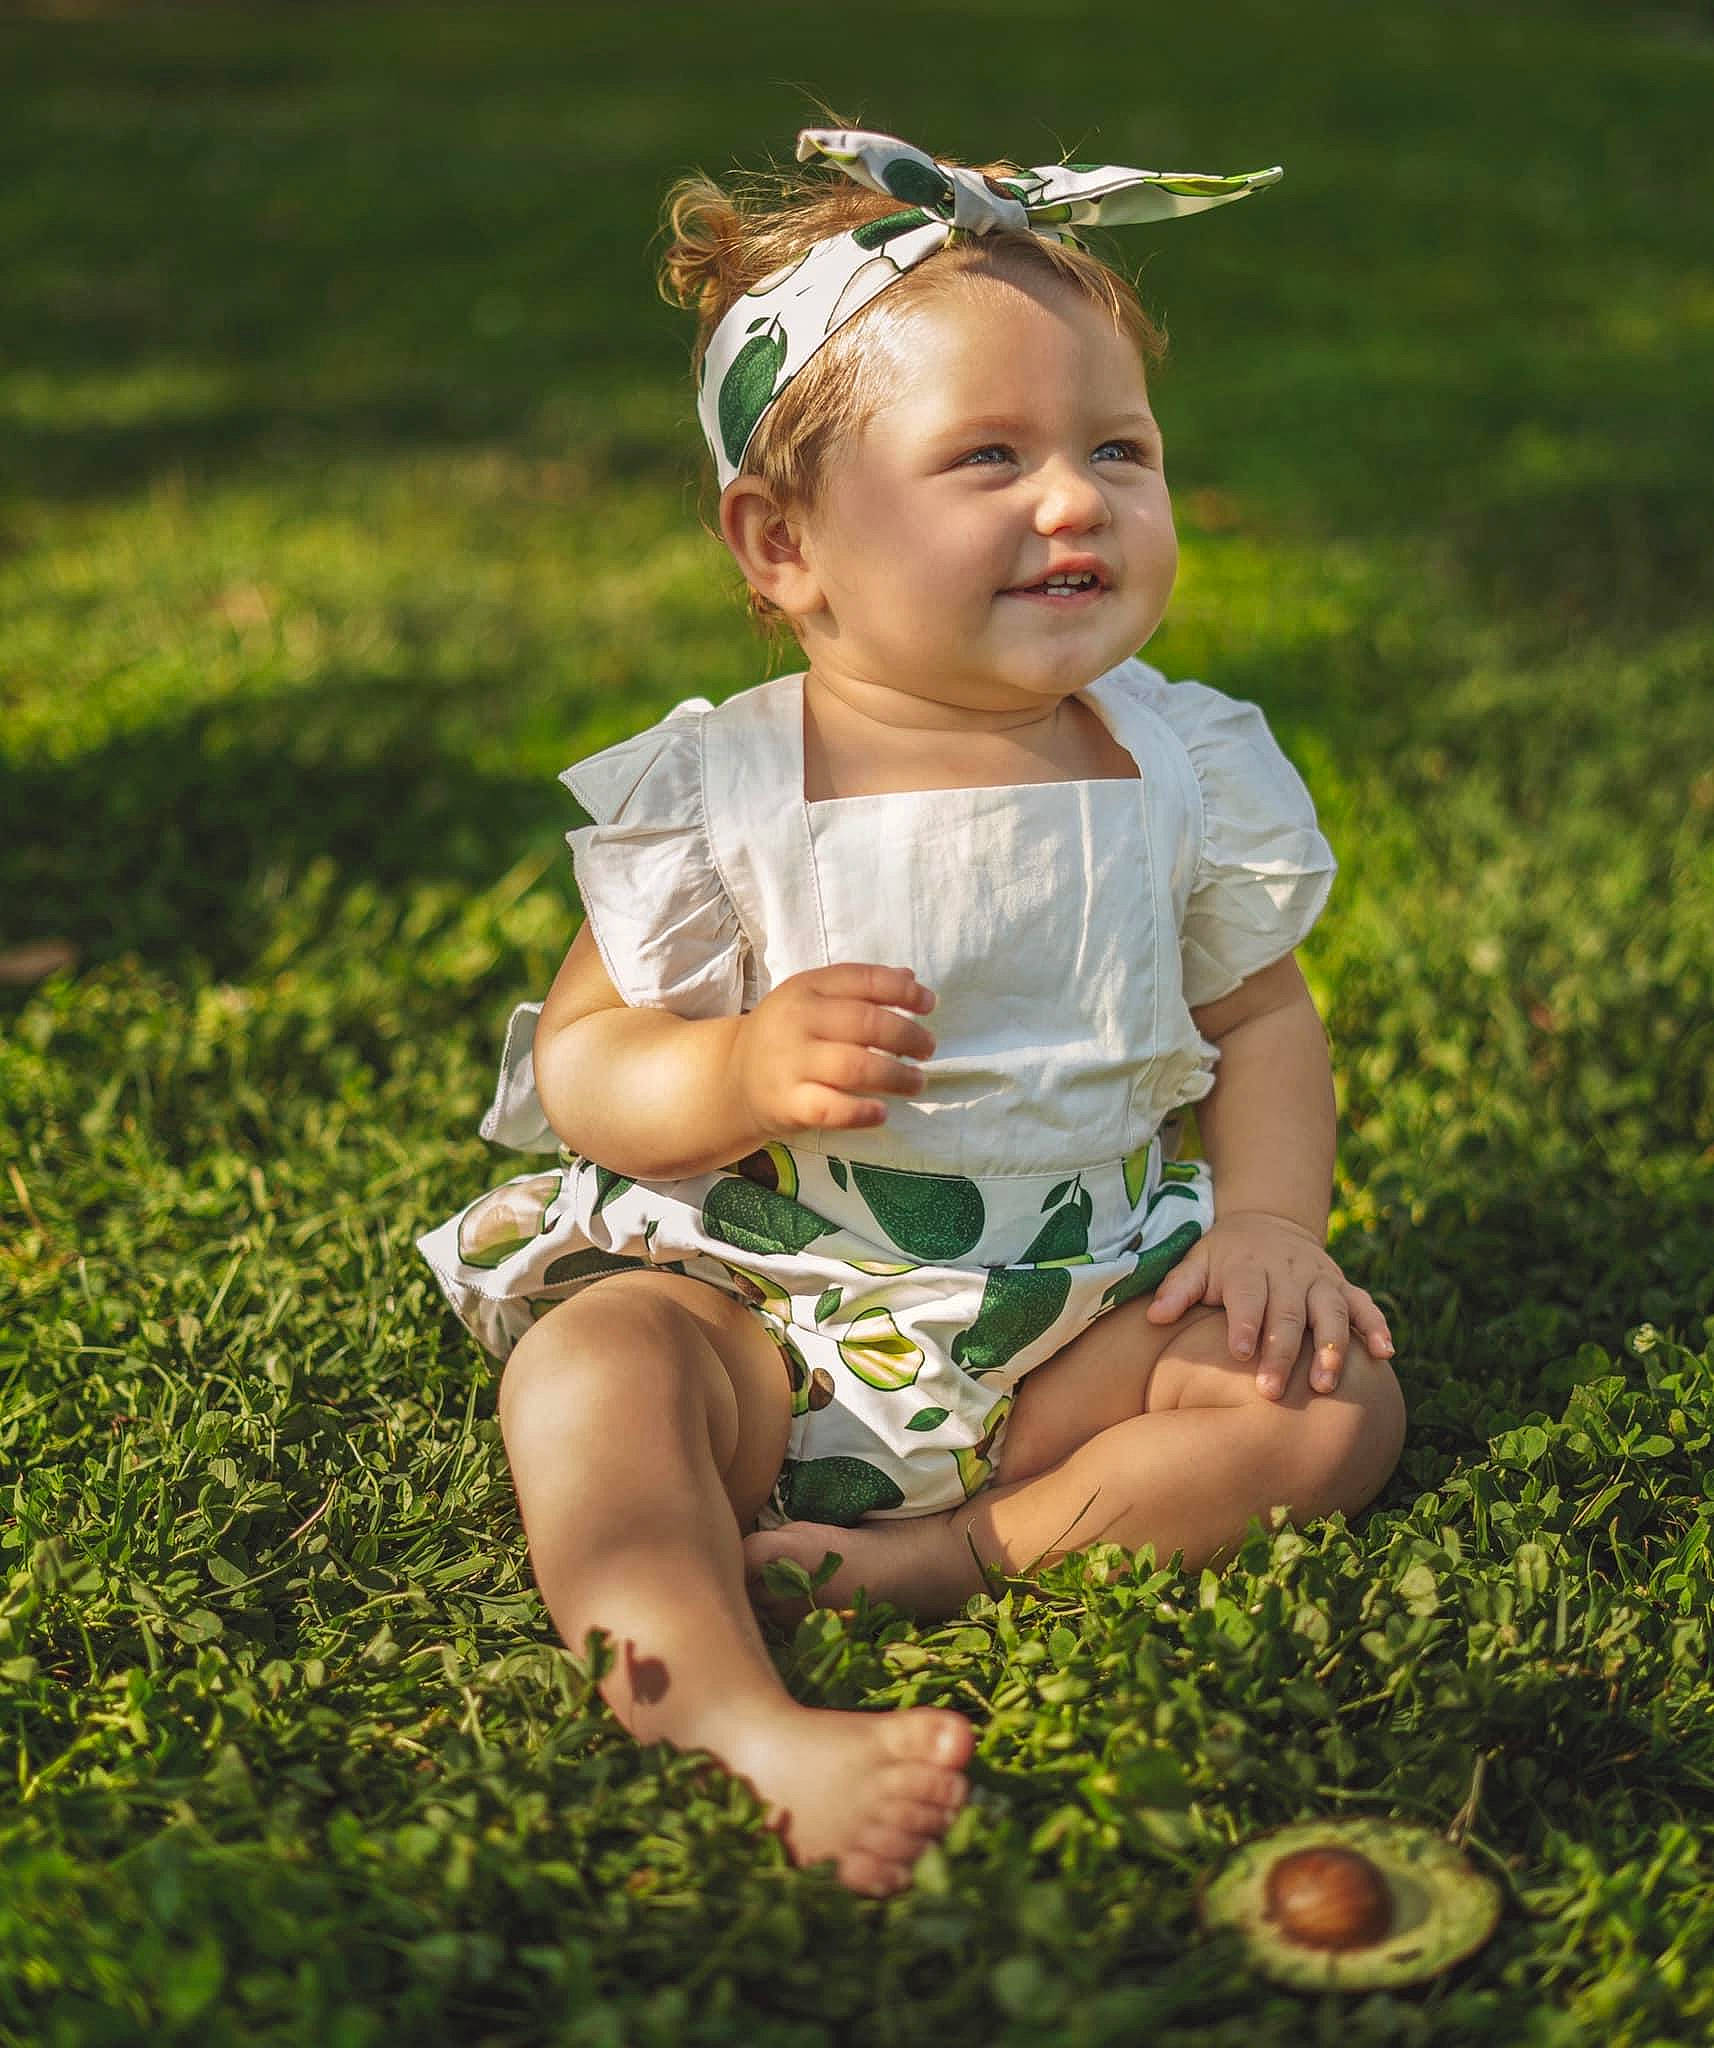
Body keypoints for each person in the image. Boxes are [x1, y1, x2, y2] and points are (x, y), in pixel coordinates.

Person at [417, 127, 1406, 1897]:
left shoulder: (1182, 764)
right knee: (593, 1375)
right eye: (989, 458)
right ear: (782, 543)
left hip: (1072, 1315)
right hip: (761, 1314)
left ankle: (962, 1552)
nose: (1073, 500)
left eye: (1119, 448)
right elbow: (584, 1070)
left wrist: (1264, 1226)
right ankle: (735, 1712)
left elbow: (1258, 1022)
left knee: (1330, 1405)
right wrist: (728, 1064)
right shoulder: (722, 794)